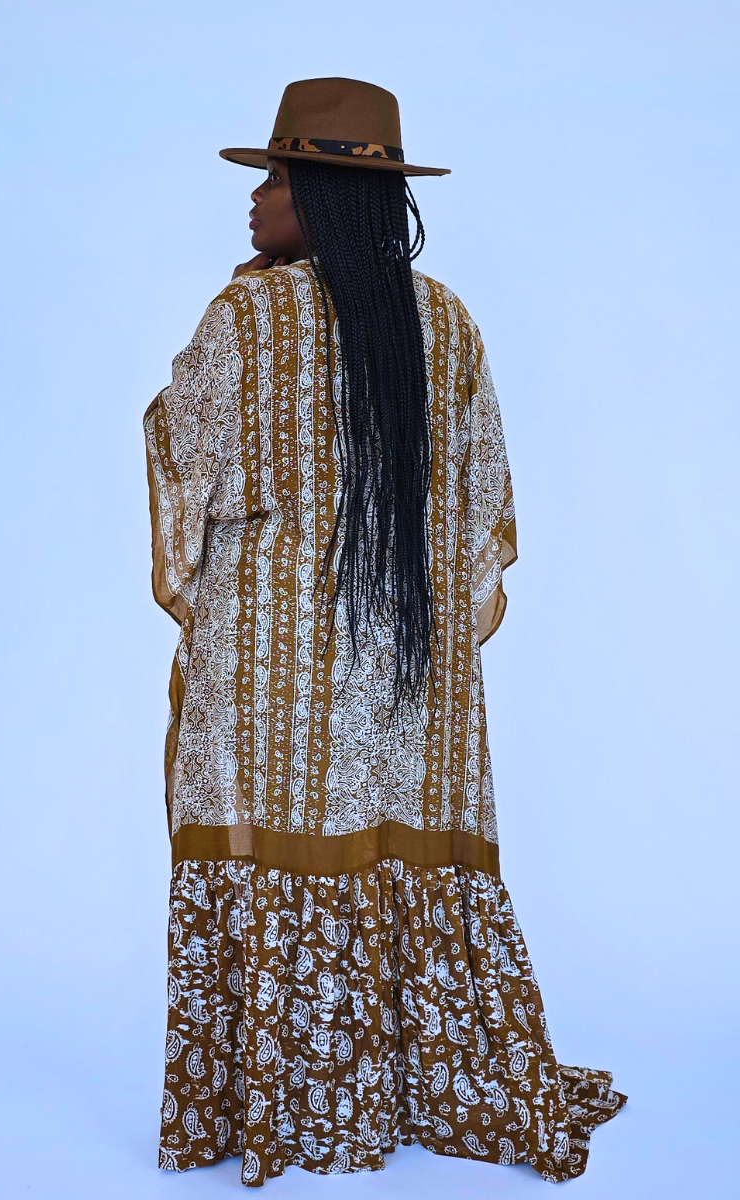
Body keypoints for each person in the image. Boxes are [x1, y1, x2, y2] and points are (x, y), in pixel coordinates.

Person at [143, 76, 627, 1188]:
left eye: (273, 176)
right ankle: (405, 1085)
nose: (254, 198)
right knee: (386, 842)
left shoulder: (246, 316)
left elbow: (186, 462)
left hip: (270, 672)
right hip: (400, 668)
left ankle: (282, 1103)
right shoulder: (445, 319)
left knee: (271, 848)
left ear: (319, 193)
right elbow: (481, 508)